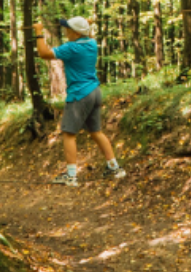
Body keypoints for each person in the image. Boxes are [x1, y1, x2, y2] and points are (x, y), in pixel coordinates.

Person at [32, 16, 125, 187]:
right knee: (96, 132)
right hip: (94, 92)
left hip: (79, 95)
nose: (65, 31)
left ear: (75, 32)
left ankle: (71, 176)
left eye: (68, 28)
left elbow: (44, 54)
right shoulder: (91, 44)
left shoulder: (71, 48)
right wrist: (85, 24)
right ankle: (114, 167)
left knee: (68, 134)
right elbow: (83, 33)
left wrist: (39, 33)